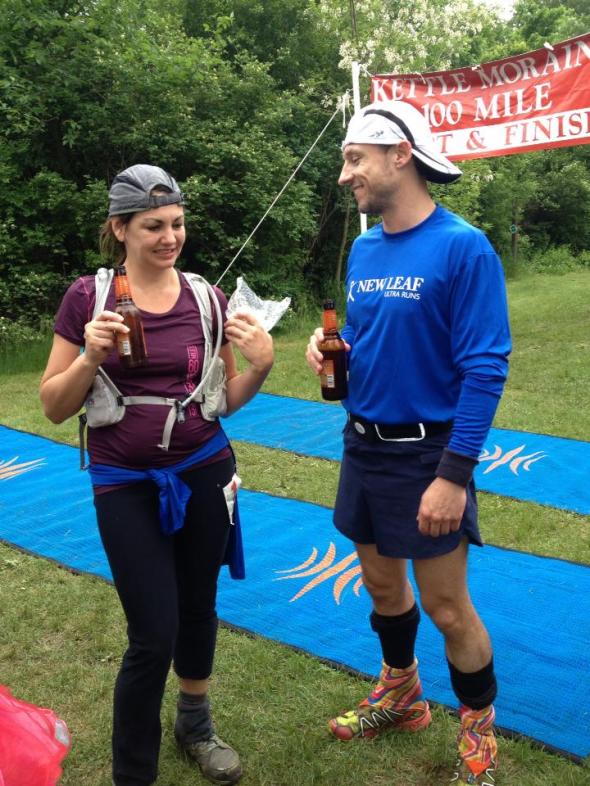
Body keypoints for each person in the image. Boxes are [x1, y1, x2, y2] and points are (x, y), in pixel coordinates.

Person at [40, 164, 274, 786]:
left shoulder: (205, 297)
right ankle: (133, 774)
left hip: (204, 469)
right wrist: (91, 354)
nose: (169, 237)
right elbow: (55, 406)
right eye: (152, 226)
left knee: (199, 606)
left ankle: (194, 724)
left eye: (176, 224)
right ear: (120, 229)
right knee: (152, 632)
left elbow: (220, 400)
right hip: (124, 480)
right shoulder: (86, 299)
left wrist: (262, 367)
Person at [305, 101, 511, 786]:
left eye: (354, 158)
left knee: (449, 608)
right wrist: (332, 350)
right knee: (382, 587)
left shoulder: (463, 246)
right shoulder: (365, 249)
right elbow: (371, 339)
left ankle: (479, 734)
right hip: (363, 446)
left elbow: (485, 367)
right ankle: (402, 695)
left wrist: (454, 475)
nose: (344, 175)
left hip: (430, 456)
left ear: (400, 154)